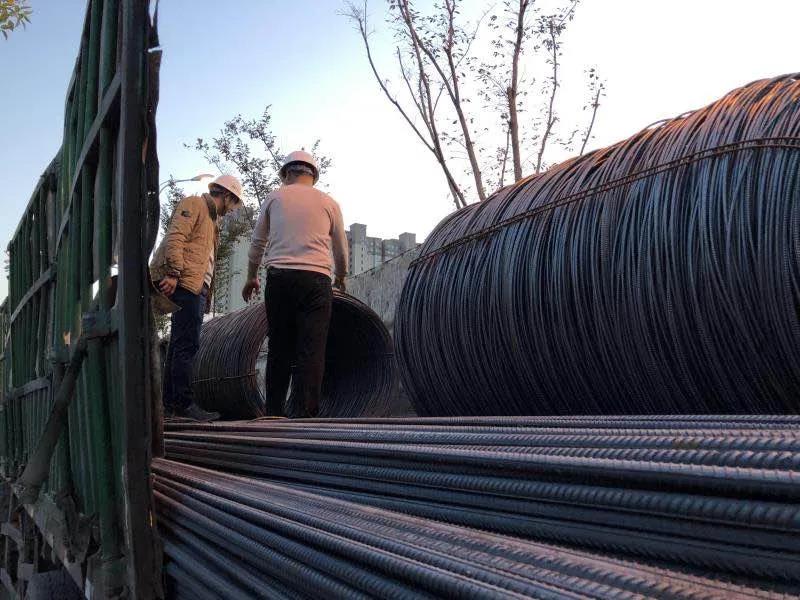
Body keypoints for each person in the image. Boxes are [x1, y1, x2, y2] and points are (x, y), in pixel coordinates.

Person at [242, 151, 348, 418]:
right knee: (312, 350)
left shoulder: (274, 197)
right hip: (316, 281)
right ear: (313, 175)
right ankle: (306, 416)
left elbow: (257, 243)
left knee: (279, 348)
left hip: (280, 279)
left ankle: (274, 413)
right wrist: (341, 277)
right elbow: (341, 250)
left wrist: (252, 276)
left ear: (287, 173)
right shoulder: (329, 203)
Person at [151, 174, 243, 421]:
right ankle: (182, 404)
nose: (232, 210)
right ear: (227, 196)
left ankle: (171, 405)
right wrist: (173, 273)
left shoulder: (213, 221)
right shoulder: (195, 204)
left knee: (179, 345)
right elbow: (176, 236)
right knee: (187, 345)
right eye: (233, 204)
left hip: (194, 288)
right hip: (186, 285)